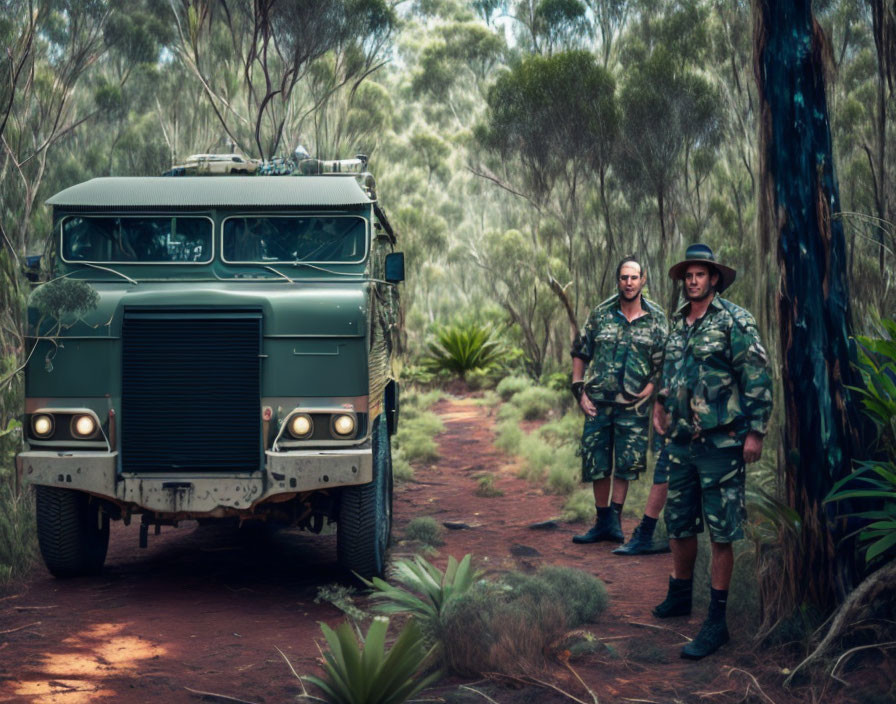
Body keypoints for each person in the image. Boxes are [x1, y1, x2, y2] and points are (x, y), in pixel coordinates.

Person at [651, 243, 773, 659]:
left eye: (699, 274)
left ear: (714, 278)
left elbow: (756, 375)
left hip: (722, 441)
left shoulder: (735, 321)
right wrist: (660, 403)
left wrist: (755, 431)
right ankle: (680, 595)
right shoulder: (679, 323)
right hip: (682, 441)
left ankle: (716, 622)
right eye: (687, 276)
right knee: (679, 522)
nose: (692, 281)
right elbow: (670, 370)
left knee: (722, 530)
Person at [570, 255, 668, 545]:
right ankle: (602, 521)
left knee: (626, 463)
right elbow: (580, 351)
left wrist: (652, 386)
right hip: (597, 402)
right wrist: (578, 389)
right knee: (597, 461)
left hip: (633, 405)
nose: (629, 283)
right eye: (624, 277)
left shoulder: (657, 319)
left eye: (634, 277)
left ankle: (615, 520)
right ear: (618, 280)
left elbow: (664, 360)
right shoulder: (601, 314)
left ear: (643, 280)